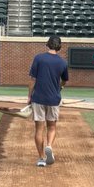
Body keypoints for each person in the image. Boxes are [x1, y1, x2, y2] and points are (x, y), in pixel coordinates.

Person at [27, 34, 68, 166]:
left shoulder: (38, 58)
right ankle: (49, 145)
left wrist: (29, 96)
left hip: (38, 98)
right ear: (59, 47)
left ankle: (41, 158)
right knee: (52, 127)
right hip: (54, 99)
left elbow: (33, 80)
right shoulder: (62, 62)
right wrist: (59, 87)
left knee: (39, 129)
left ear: (47, 44)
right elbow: (65, 80)